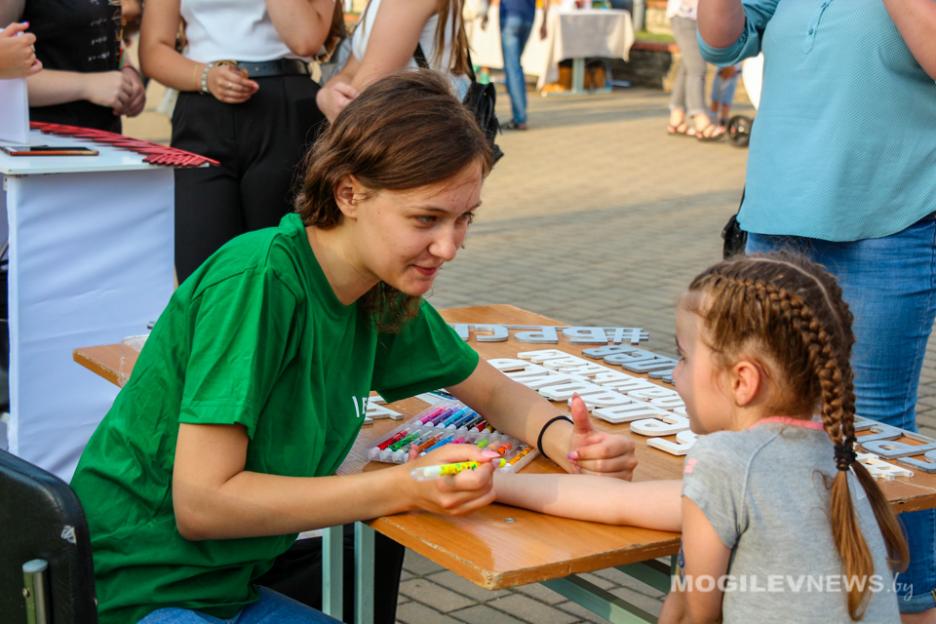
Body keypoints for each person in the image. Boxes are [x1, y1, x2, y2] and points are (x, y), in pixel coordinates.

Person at [70, 71, 638, 624]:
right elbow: (203, 505)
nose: (449, 246)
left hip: (219, 589)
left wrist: (566, 440)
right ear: (348, 193)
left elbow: (489, 388)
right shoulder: (260, 280)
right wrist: (400, 487)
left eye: (465, 218)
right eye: (426, 218)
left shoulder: (381, 287)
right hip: (133, 594)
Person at [497, 253, 909, 623]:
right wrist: (498, 483)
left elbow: (699, 612)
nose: (675, 373)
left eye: (684, 357)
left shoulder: (724, 459)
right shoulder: (834, 460)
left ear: (741, 380)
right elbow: (620, 502)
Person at [697, 1, 936, 620]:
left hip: (894, 214)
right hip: (778, 216)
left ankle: (910, 599)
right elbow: (721, 44)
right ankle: (793, 584)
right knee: (760, 415)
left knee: (876, 428)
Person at [140, 0, 336, 283]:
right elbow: (154, 49)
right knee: (202, 268)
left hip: (285, 101)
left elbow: (305, 39)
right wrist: (204, 76)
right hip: (202, 101)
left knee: (282, 265)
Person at [1, 0, 145, 133]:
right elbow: (5, 70)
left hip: (104, 136)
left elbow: (100, 25)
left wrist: (125, 66)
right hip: (46, 139)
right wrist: (86, 85)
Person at [315, 0, 471, 122]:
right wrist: (326, 95)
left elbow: (363, 92)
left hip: (407, 136)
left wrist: (328, 98)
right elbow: (350, 71)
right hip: (402, 128)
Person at [481, 0, 549, 130]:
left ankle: (520, 118)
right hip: (529, 16)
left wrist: (485, 12)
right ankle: (519, 115)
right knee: (515, 66)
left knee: (512, 67)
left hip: (509, 15)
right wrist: (544, 21)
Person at [665, 0, 724, 140]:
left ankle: (676, 118)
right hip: (684, 15)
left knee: (688, 66)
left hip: (697, 17)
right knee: (697, 68)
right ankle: (701, 120)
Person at [709, 62, 740, 128]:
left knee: (726, 95)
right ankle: (714, 119)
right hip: (726, 64)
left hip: (732, 66)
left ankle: (722, 120)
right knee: (718, 95)